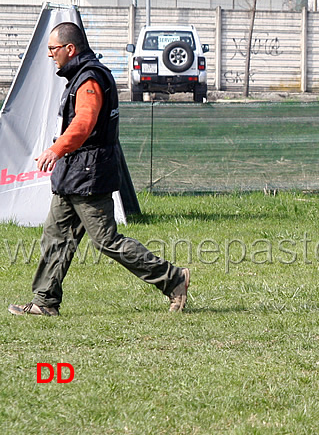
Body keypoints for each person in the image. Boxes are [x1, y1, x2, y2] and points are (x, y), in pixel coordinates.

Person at [8, 22, 190, 316]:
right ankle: (44, 302)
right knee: (56, 236)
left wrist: (56, 149)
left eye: (53, 50)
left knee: (106, 241)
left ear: (70, 49)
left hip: (88, 173)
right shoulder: (82, 75)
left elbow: (84, 123)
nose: (51, 55)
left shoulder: (89, 79)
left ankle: (173, 279)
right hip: (74, 172)